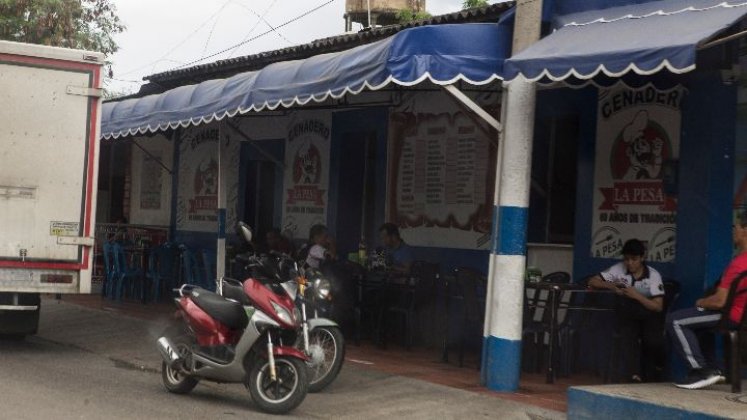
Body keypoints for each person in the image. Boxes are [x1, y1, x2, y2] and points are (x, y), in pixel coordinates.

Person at [666, 211, 747, 390]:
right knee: (697, 323)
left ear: (745, 231)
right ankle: (713, 369)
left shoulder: (739, 263)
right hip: (740, 316)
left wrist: (701, 302)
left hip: (730, 315)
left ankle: (701, 371)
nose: (734, 231)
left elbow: (720, 302)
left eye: (736, 227)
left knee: (676, 320)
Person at [588, 238, 665, 382]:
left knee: (652, 341)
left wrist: (637, 296)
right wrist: (612, 286)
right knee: (627, 338)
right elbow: (592, 281)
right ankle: (633, 375)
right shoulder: (619, 269)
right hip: (627, 316)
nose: (629, 263)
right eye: (627, 259)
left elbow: (658, 306)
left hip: (648, 316)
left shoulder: (653, 275)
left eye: (634, 259)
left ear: (642, 258)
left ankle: (649, 375)